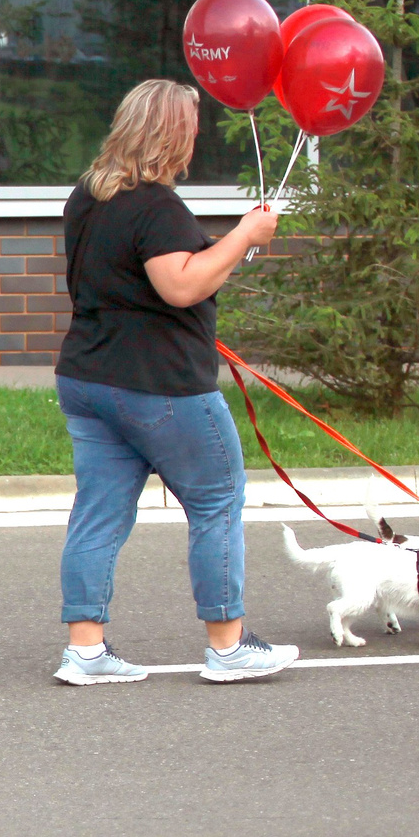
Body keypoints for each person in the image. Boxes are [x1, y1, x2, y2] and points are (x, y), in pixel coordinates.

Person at [52, 79, 297, 686]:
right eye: (190, 127)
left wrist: (221, 249)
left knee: (99, 513)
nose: (196, 138)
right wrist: (243, 236)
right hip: (160, 384)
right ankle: (228, 647)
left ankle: (84, 653)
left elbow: (147, 272)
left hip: (88, 376)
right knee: (216, 502)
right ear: (169, 133)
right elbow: (180, 285)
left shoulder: (89, 195)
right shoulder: (157, 206)